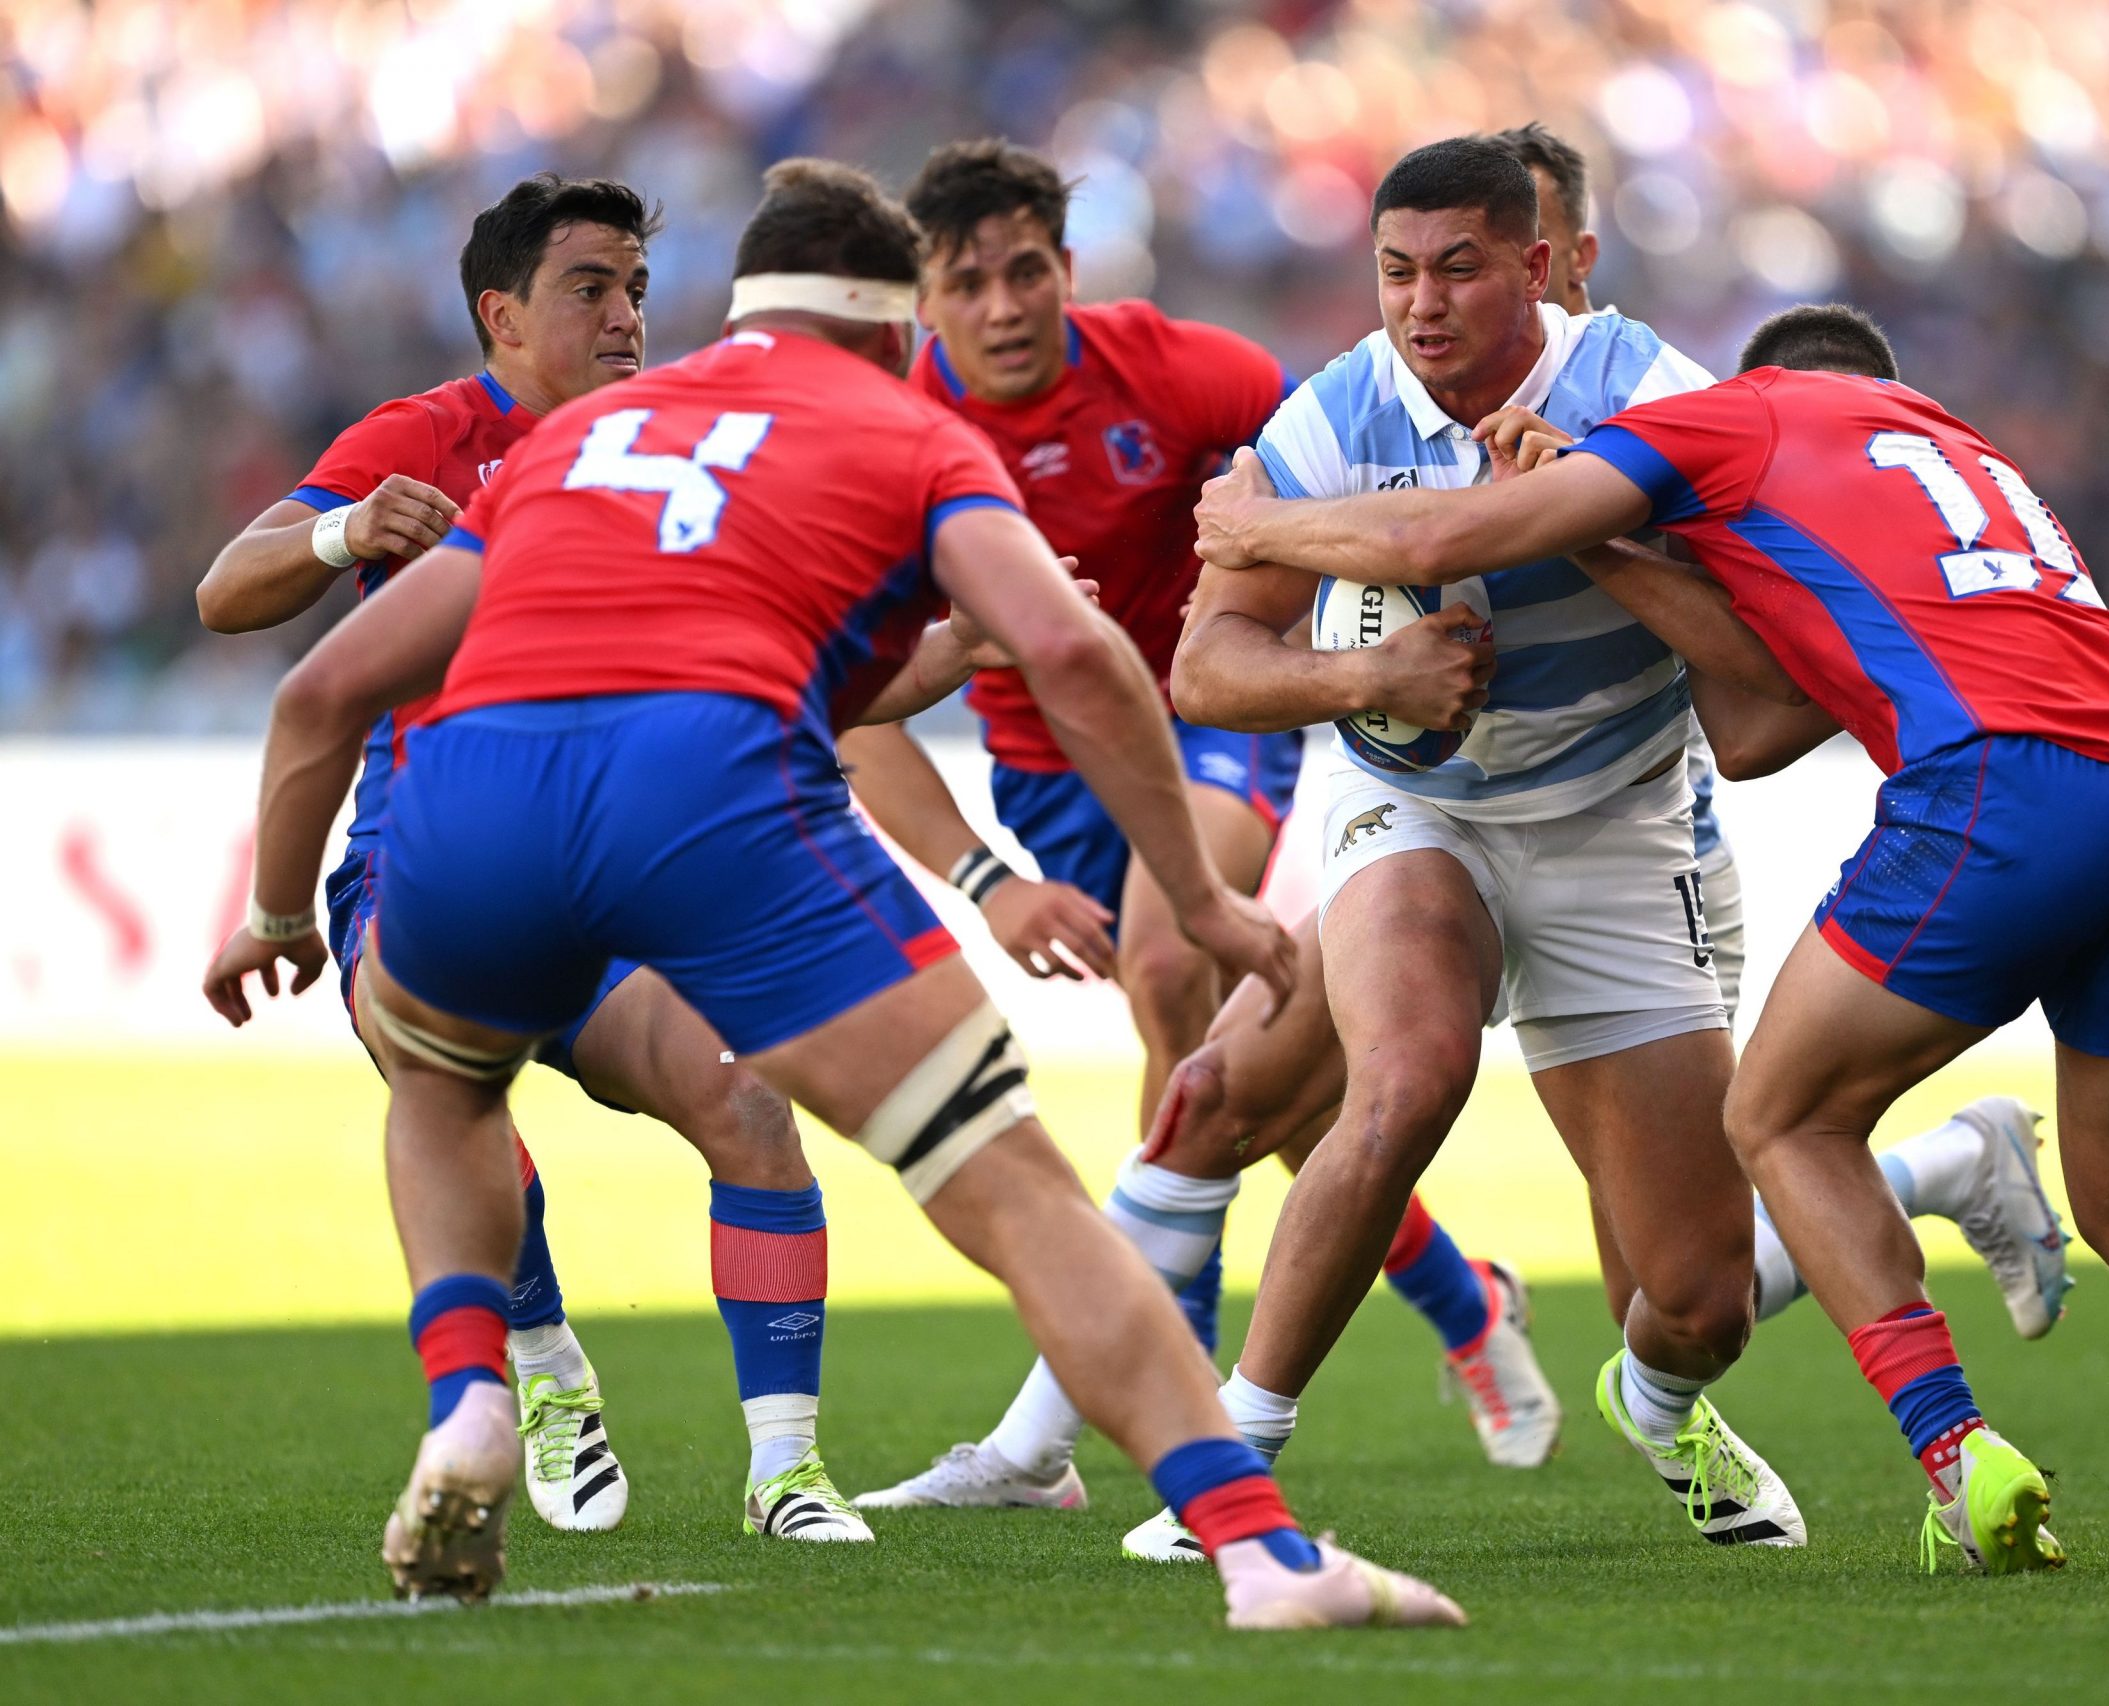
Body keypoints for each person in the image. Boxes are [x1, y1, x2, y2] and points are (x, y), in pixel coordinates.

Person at [201, 158, 1464, 1630]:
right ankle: (1260, 1554)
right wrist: (1204, 896)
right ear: (891, 322)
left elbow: (322, 692)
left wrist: (284, 916)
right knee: (1004, 1177)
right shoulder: (911, 431)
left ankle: (473, 1386)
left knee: (438, 1076)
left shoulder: (581, 433)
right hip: (709, 791)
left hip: (475, 789)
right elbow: (1072, 657)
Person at [1190, 301, 2109, 1582]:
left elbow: (1446, 530)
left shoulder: (1735, 414)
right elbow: (1761, 731)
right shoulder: (1963, 449)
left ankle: (1958, 1454)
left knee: (1777, 1118)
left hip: (1999, 797)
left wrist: (1254, 527)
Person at [846, 139, 1555, 1514]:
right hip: (1051, 774)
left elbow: (1341, 445)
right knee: (1249, 1089)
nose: (1003, 306)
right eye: (967, 281)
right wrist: (987, 872)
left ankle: (1158, 1408)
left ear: (1069, 265)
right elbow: (850, 708)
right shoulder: (887, 437)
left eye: (1027, 270)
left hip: (1209, 710)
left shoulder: (1179, 371)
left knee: (1179, 980)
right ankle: (1466, 1299)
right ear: (920, 302)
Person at [1168, 137, 1805, 1559]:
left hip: (1617, 824)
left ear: (1539, 266)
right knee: (1404, 1078)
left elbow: (1768, 675)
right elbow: (1205, 665)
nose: (1422, 304)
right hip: (1416, 810)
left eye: (1459, 267)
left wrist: (1592, 530)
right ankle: (1229, 1463)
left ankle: (1659, 1402)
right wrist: (1361, 683)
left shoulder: (1652, 397)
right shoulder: (1336, 411)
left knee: (1700, 1296)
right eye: (1396, 270)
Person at [195, 174, 853, 1542]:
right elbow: (227, 592)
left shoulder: (673, 441)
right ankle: (546, 1366)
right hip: (426, 853)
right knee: (451, 1080)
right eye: (589, 288)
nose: (625, 317)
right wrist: (342, 530)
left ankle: (786, 1470)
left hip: (616, 868)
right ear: (500, 312)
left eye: (635, 291)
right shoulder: (425, 435)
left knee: (744, 1103)